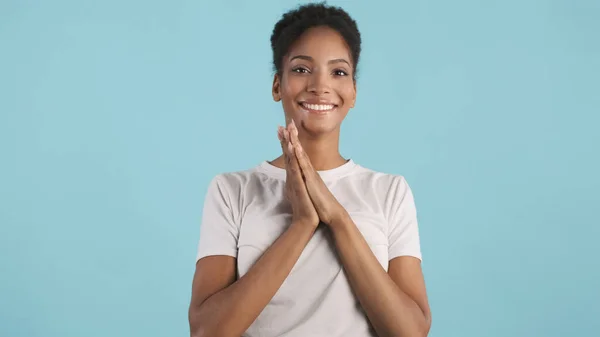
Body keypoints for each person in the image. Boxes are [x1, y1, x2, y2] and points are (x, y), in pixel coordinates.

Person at [188, 3, 431, 337]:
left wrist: (337, 217)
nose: (320, 85)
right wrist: (302, 223)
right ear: (277, 85)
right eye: (302, 69)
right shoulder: (232, 190)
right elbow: (207, 331)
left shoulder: (389, 192)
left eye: (339, 72)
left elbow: (411, 332)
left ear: (354, 92)